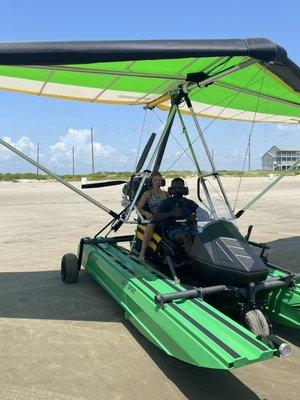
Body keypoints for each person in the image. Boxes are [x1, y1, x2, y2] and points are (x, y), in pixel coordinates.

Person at [153, 177, 209, 255]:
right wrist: (172, 213)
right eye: (174, 188)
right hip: (172, 230)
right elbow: (155, 218)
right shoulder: (166, 203)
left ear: (184, 190)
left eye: (179, 188)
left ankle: (207, 258)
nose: (177, 190)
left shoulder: (189, 203)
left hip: (189, 228)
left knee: (203, 235)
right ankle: (194, 261)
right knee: (185, 236)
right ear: (170, 190)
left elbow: (205, 214)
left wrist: (194, 216)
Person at [136, 172, 168, 261]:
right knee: (151, 225)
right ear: (152, 182)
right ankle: (142, 254)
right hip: (156, 217)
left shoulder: (166, 193)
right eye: (155, 180)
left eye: (159, 180)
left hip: (167, 216)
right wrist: (146, 213)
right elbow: (138, 208)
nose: (158, 182)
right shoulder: (147, 193)